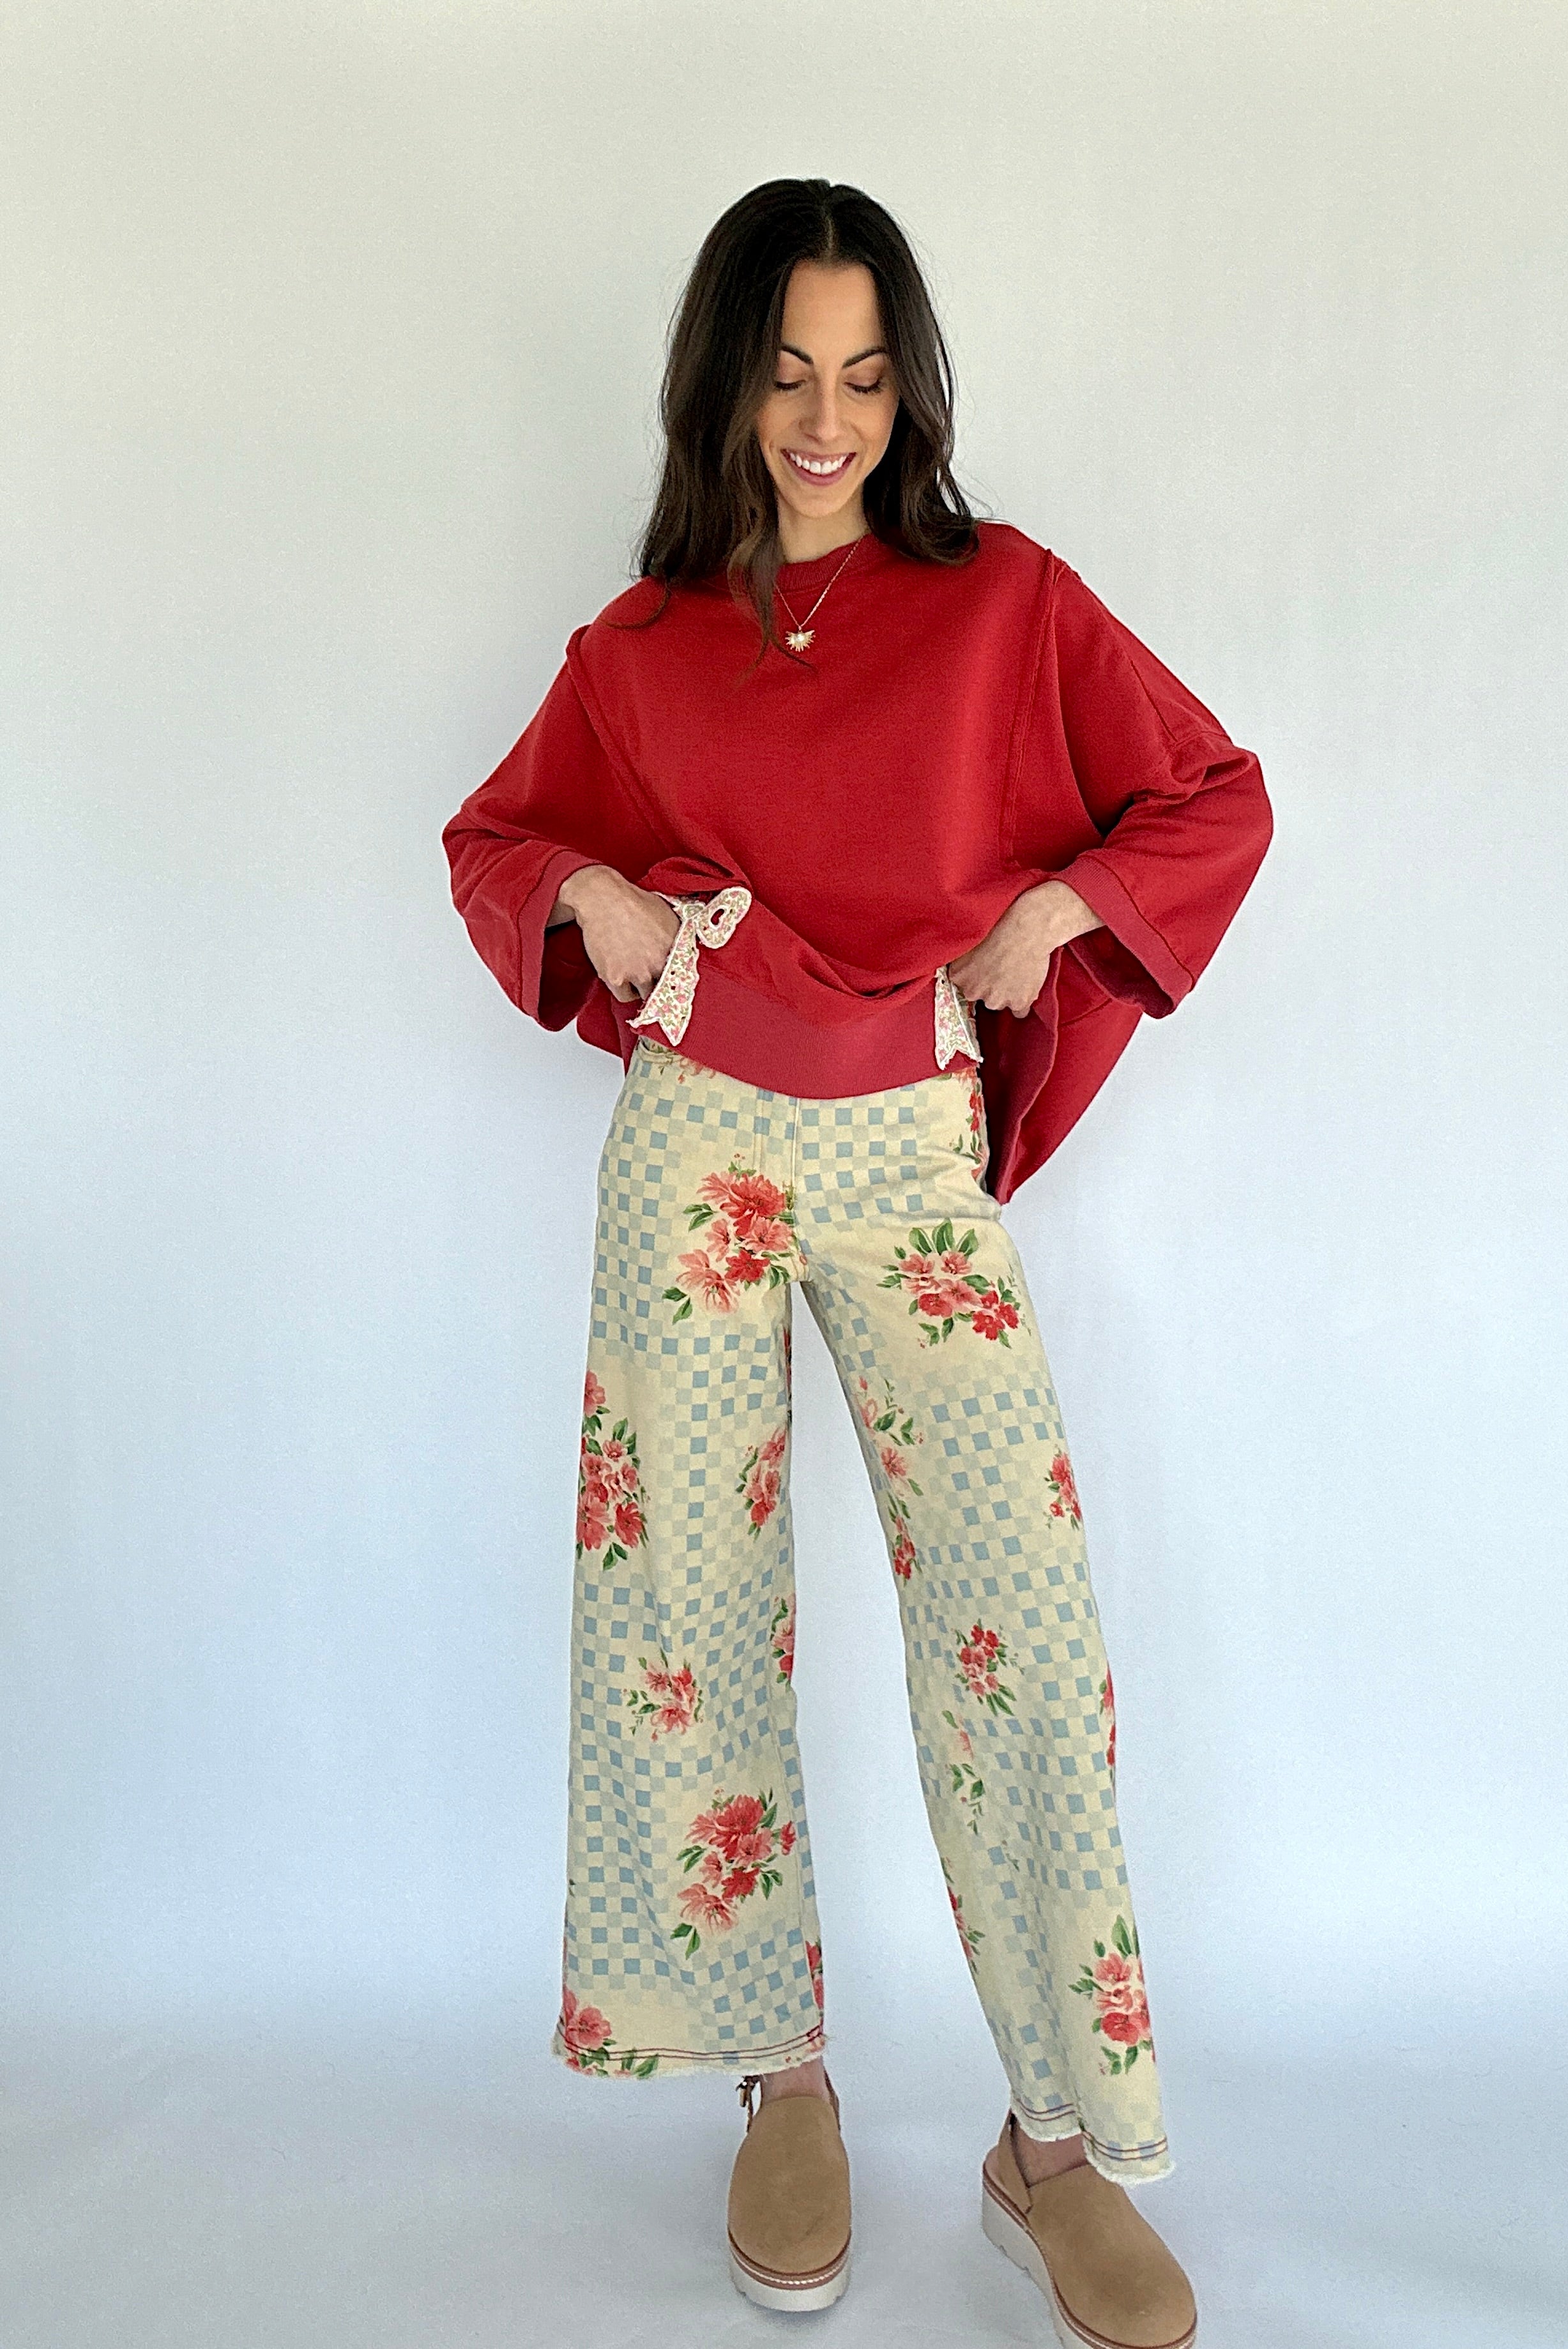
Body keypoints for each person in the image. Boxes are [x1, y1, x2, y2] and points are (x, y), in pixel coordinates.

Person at [442, 176, 1271, 2349]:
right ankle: (777, 2078)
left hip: (908, 1136)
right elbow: (497, 836)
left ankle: (1054, 2142)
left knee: (1020, 1615)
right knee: (683, 1614)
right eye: (790, 375)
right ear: (727, 382)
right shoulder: (633, 654)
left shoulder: (1003, 603)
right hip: (699, 1137)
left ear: (908, 388)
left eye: (866, 374)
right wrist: (592, 909)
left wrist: (1054, 917)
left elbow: (1209, 796)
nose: (827, 422)